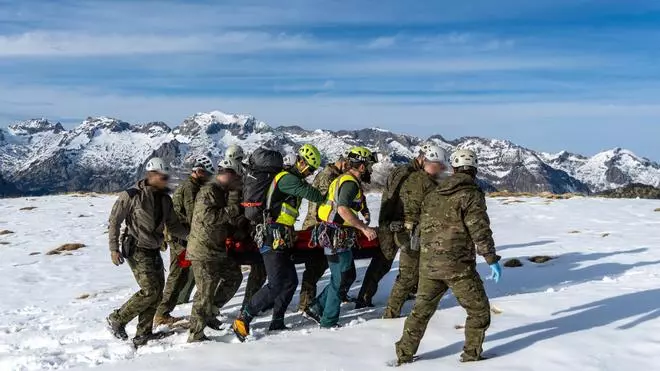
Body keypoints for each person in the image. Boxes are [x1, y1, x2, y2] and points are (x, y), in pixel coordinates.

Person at [395, 149, 502, 365]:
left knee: (421, 312)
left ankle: (403, 354)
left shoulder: (434, 194)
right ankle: (471, 355)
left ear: (453, 169)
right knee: (479, 311)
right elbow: (479, 230)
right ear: (475, 169)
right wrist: (491, 259)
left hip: (429, 265)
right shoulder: (471, 194)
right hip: (457, 267)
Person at [231, 144, 325, 341]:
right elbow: (313, 194)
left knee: (290, 281)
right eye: (309, 168)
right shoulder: (287, 179)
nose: (310, 172)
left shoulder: (289, 178)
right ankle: (243, 317)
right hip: (271, 236)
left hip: (281, 237)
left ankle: (277, 321)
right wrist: (330, 198)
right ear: (300, 162)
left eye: (312, 170)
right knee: (275, 283)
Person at [106, 157, 190, 347]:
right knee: (150, 290)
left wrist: (192, 236)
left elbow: (174, 226)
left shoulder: (165, 200)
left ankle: (143, 333)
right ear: (151, 175)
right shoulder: (131, 195)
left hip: (153, 248)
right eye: (162, 176)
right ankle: (117, 318)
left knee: (158, 292)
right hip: (135, 247)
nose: (165, 179)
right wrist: (113, 249)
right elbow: (114, 221)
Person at [303, 147, 378, 328]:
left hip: (336, 234)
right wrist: (364, 228)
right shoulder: (350, 183)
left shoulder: (346, 180)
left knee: (348, 274)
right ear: (361, 166)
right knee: (340, 278)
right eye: (368, 165)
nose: (370, 169)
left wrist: (363, 210)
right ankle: (328, 321)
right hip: (336, 236)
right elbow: (343, 209)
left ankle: (316, 307)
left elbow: (348, 204)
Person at [355, 146, 431, 309]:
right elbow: (390, 197)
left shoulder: (419, 174)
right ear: (423, 158)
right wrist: (387, 224)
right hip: (391, 224)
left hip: (407, 226)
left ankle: (410, 290)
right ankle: (364, 297)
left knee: (413, 259)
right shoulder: (403, 172)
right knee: (382, 263)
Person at [382, 145, 449, 319]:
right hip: (412, 235)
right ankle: (390, 313)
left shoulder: (419, 179)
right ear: (430, 162)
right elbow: (421, 210)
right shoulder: (423, 182)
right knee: (407, 276)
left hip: (412, 233)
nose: (443, 168)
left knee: (414, 273)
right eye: (440, 164)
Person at [185, 158, 245, 342]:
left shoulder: (220, 191)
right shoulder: (209, 191)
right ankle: (196, 334)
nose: (237, 182)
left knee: (234, 277)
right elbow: (207, 217)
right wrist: (232, 211)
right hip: (203, 250)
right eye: (236, 178)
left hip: (216, 248)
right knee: (204, 292)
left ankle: (211, 311)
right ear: (228, 174)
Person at [154, 156, 214, 327]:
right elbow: (193, 216)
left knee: (181, 276)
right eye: (206, 173)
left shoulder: (195, 187)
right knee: (177, 276)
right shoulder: (189, 189)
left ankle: (163, 312)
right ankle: (161, 314)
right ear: (199, 172)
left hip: (184, 238)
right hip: (180, 240)